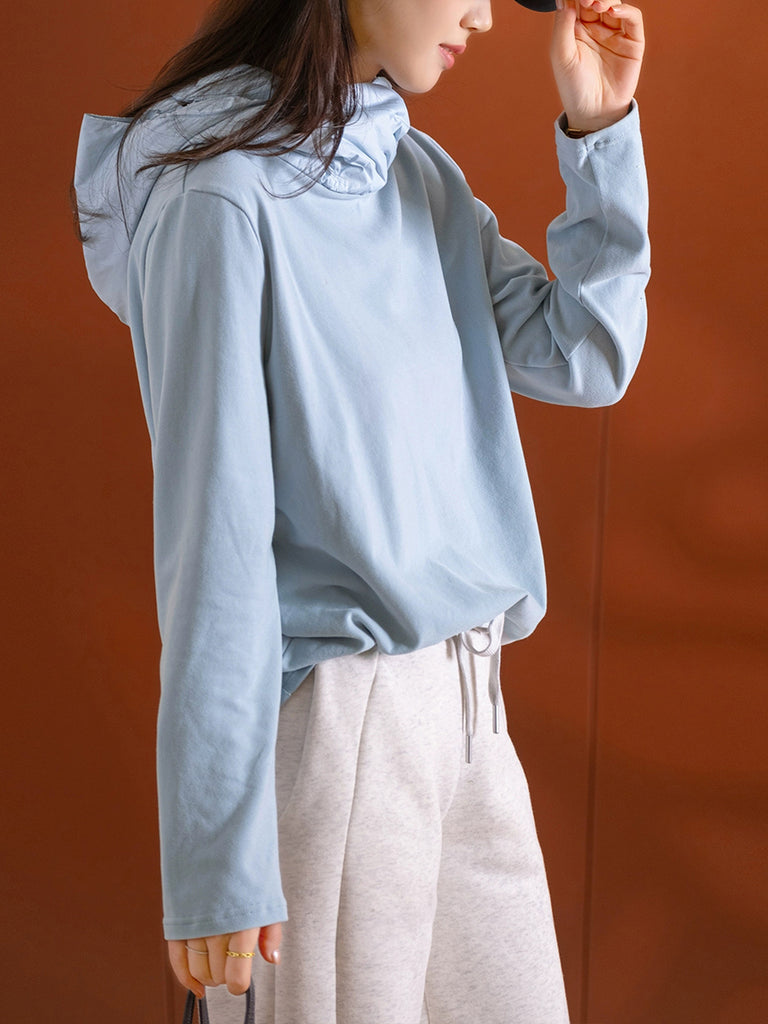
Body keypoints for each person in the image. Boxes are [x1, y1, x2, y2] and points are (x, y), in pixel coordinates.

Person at [73, 0, 648, 1020]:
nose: (483, 16)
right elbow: (214, 540)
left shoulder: (412, 170)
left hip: (470, 712)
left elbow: (586, 354)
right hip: (341, 731)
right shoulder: (219, 198)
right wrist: (216, 858)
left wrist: (600, 134)